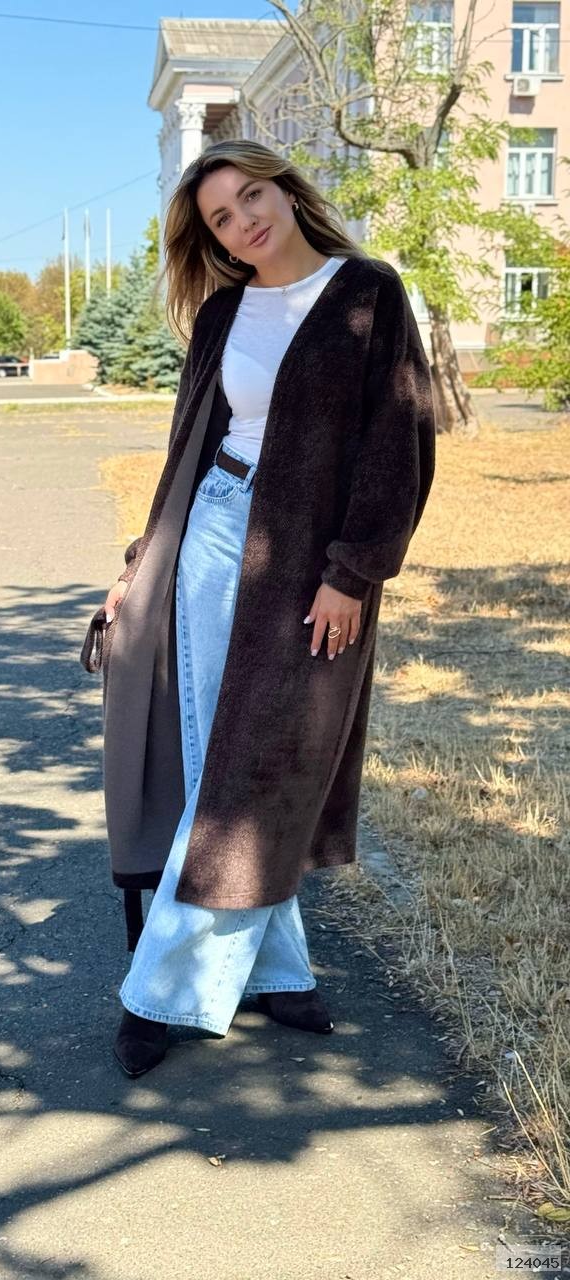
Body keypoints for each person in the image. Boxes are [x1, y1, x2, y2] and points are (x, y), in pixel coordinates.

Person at [93, 139, 436, 1078]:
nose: (243, 219)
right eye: (220, 216)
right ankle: (280, 970)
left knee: (262, 761)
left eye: (251, 195)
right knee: (219, 759)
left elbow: (398, 443)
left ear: (285, 190)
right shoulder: (222, 313)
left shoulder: (366, 292)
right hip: (210, 534)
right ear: (213, 239)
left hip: (305, 557)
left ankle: (160, 993)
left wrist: (353, 571)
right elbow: (188, 444)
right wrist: (141, 565)